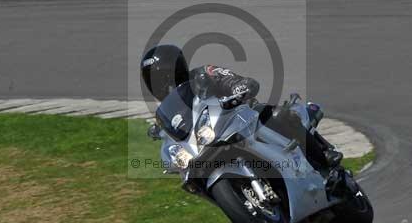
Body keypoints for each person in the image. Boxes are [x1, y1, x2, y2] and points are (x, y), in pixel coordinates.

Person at [140, 44, 342, 173]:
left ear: (177, 69)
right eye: (153, 80)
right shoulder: (169, 112)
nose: (161, 84)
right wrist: (162, 134)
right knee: (191, 173)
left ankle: (322, 156)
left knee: (278, 114)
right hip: (210, 143)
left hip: (242, 119)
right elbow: (173, 134)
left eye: (163, 76)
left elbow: (229, 78)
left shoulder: (202, 74)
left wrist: (238, 86)